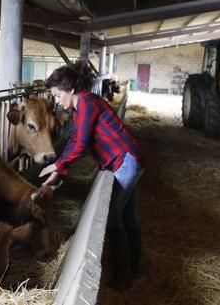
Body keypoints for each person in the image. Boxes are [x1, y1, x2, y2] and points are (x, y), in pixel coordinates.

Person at [39, 60, 145, 291]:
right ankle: (134, 266)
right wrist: (58, 165)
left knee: (112, 218)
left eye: (57, 95)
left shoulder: (86, 102)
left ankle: (123, 278)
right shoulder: (80, 109)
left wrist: (59, 166)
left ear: (70, 89)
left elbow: (82, 143)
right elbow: (76, 139)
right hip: (125, 160)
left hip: (124, 161)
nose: (57, 101)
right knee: (127, 217)